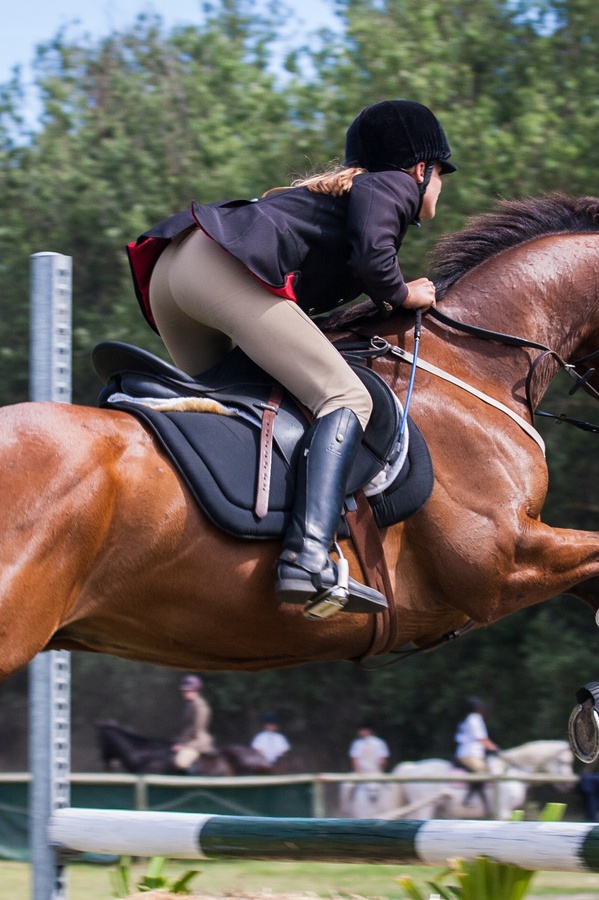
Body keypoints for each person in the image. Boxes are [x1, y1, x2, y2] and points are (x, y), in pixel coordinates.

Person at [126, 99, 455, 618]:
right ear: (420, 169)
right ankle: (308, 557)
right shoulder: (390, 185)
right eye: (440, 174)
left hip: (175, 272)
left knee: (227, 408)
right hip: (217, 271)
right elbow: (374, 258)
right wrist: (402, 293)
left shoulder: (335, 196)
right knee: (347, 397)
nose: (440, 186)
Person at [172, 675, 215, 771]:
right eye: (184, 691)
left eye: (188, 691)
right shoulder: (190, 705)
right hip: (189, 739)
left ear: (196, 691)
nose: (185, 693)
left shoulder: (200, 706)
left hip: (197, 741)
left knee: (180, 762)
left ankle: (194, 778)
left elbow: (195, 729)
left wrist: (182, 744)